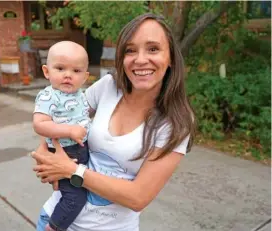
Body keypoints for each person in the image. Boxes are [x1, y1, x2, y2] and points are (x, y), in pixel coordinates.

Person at [31, 13, 196, 231]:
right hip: (54, 220)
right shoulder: (108, 86)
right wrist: (46, 155)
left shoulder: (175, 123)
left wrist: (71, 170)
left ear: (171, 57)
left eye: (153, 49)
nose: (140, 59)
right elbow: (59, 117)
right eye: (130, 50)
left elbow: (138, 197)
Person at [33, 41, 91, 231]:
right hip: (64, 152)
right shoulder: (48, 96)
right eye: (60, 68)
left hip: (82, 149)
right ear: (46, 71)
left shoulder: (80, 94)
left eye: (76, 71)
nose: (68, 75)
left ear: (85, 77)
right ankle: (54, 226)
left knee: (84, 187)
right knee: (75, 197)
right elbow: (40, 124)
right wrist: (69, 130)